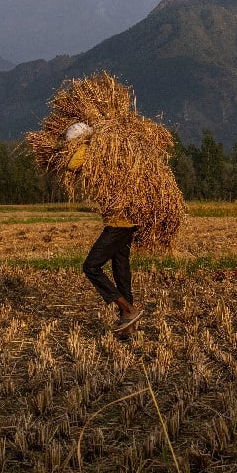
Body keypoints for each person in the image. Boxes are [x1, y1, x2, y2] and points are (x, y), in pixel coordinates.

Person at [65, 122, 144, 336]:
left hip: (119, 222)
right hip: (128, 218)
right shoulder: (109, 151)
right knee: (121, 270)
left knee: (91, 266)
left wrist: (81, 144)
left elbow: (72, 165)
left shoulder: (93, 150)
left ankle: (127, 309)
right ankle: (129, 328)